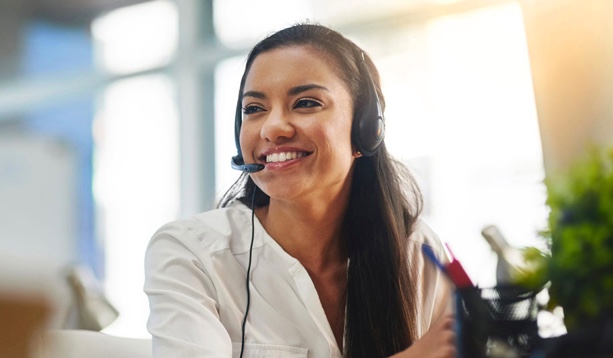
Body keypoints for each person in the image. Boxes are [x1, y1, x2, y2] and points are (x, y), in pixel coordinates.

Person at [144, 23, 456, 358]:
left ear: (366, 128)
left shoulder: (417, 252)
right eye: (254, 109)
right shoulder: (192, 254)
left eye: (306, 103)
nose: (273, 127)